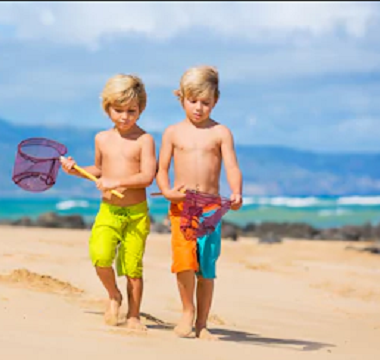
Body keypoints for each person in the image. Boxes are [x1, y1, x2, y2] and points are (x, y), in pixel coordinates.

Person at [61, 74, 156, 331]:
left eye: (131, 111)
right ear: (107, 109)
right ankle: (114, 294)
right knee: (100, 256)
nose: (124, 116)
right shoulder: (102, 138)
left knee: (133, 267)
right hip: (108, 211)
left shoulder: (144, 140)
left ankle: (134, 315)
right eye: (118, 110)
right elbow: (100, 169)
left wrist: (117, 182)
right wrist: (76, 170)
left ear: (141, 109)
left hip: (136, 214)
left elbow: (147, 176)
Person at [156, 65, 243, 340]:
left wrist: (237, 191)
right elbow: (161, 169)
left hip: (211, 209)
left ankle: (202, 323)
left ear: (215, 101)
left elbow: (231, 166)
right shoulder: (172, 132)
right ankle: (186, 312)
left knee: (206, 266)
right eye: (192, 101)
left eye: (205, 103)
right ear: (181, 97)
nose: (198, 108)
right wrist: (167, 192)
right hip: (182, 206)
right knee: (184, 261)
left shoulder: (221, 133)